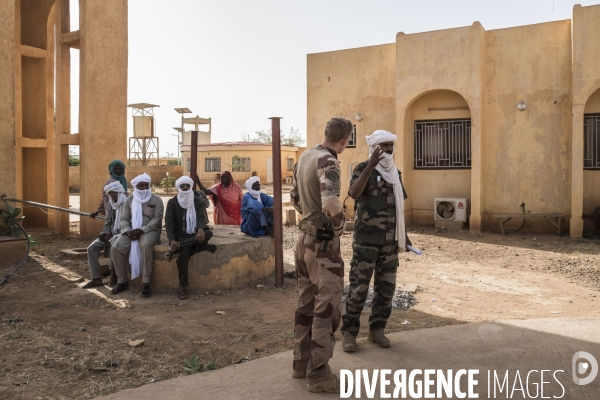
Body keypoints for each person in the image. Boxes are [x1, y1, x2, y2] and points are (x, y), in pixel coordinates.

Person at [290, 116, 352, 393]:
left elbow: (293, 197)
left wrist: (310, 215)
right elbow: (330, 202)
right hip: (323, 246)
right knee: (326, 310)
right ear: (345, 139)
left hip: (302, 241)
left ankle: (300, 364)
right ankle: (318, 375)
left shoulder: (305, 156)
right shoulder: (329, 161)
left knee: (305, 305)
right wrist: (341, 225)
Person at [341, 130, 412, 352]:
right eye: (384, 146)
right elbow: (353, 193)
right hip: (366, 242)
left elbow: (399, 207)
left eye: (391, 145)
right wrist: (371, 166)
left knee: (386, 289)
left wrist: (404, 236)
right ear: (374, 148)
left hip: (390, 242)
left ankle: (377, 330)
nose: (389, 150)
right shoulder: (362, 169)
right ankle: (350, 334)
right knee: (358, 289)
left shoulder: (395, 173)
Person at [110, 173, 163, 296]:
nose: (144, 188)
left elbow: (157, 219)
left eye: (146, 185)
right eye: (141, 186)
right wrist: (128, 231)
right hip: (132, 230)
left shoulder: (156, 199)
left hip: (150, 230)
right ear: (136, 187)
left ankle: (146, 283)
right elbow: (123, 219)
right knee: (116, 247)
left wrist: (142, 230)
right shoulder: (130, 200)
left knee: (145, 245)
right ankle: (122, 281)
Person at [165, 176, 216, 300]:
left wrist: (200, 229)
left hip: (194, 233)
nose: (185, 188)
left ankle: (178, 247)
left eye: (188, 185)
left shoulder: (197, 201)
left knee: (208, 233)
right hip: (180, 235)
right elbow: (169, 223)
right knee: (185, 253)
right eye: (182, 186)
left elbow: (201, 218)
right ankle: (182, 286)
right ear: (178, 187)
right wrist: (172, 240)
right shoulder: (172, 202)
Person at [81, 181, 126, 288]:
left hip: (123, 233)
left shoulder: (127, 203)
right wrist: (104, 234)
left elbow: (129, 224)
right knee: (91, 248)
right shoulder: (111, 204)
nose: (112, 195)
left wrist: (113, 234)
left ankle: (114, 276)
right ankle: (96, 278)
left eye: (114, 193)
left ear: (119, 192)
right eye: (110, 193)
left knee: (114, 246)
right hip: (111, 233)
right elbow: (108, 222)